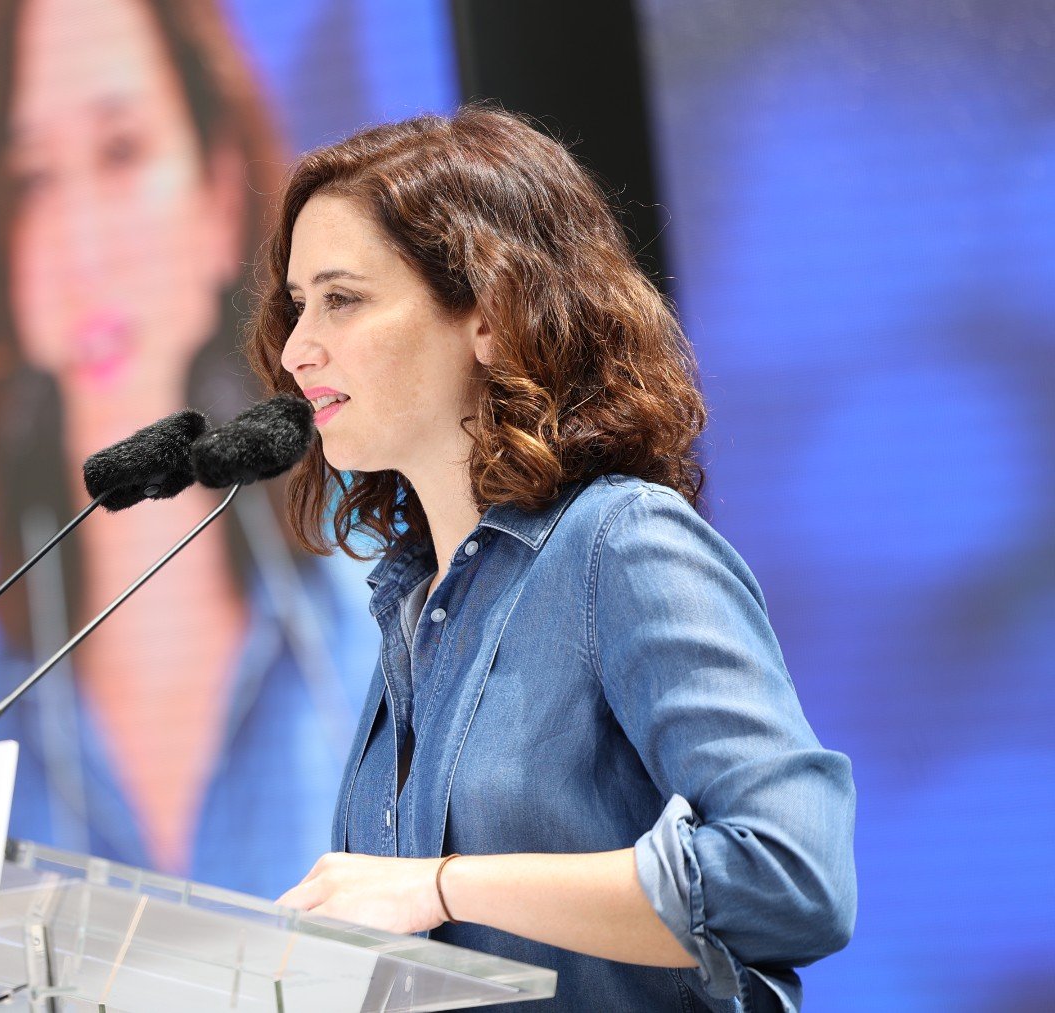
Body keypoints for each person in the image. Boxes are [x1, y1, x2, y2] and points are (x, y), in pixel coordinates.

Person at [259, 107, 856, 1012]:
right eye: (298, 305)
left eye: (342, 298)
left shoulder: (622, 545)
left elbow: (793, 874)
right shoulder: (410, 607)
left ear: (491, 317)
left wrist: (440, 884)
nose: (298, 349)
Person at [0, 0, 373, 895]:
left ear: (220, 200)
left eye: (121, 151)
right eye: (31, 181)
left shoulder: (387, 649)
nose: (82, 247)